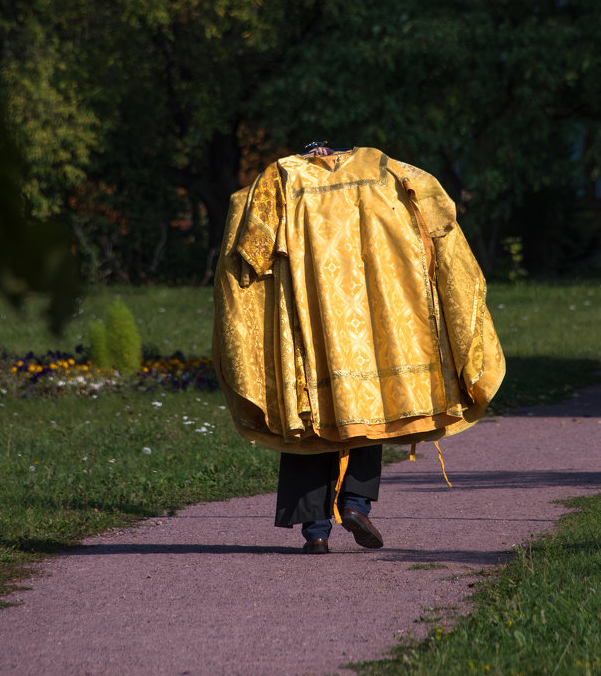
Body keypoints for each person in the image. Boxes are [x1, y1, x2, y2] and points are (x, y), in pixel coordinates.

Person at [212, 144, 504, 553]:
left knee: (309, 421)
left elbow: (251, 248)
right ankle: (356, 504)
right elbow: (436, 205)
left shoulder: (282, 178)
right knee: (371, 410)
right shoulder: (382, 168)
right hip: (371, 317)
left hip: (306, 318)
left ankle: (315, 530)